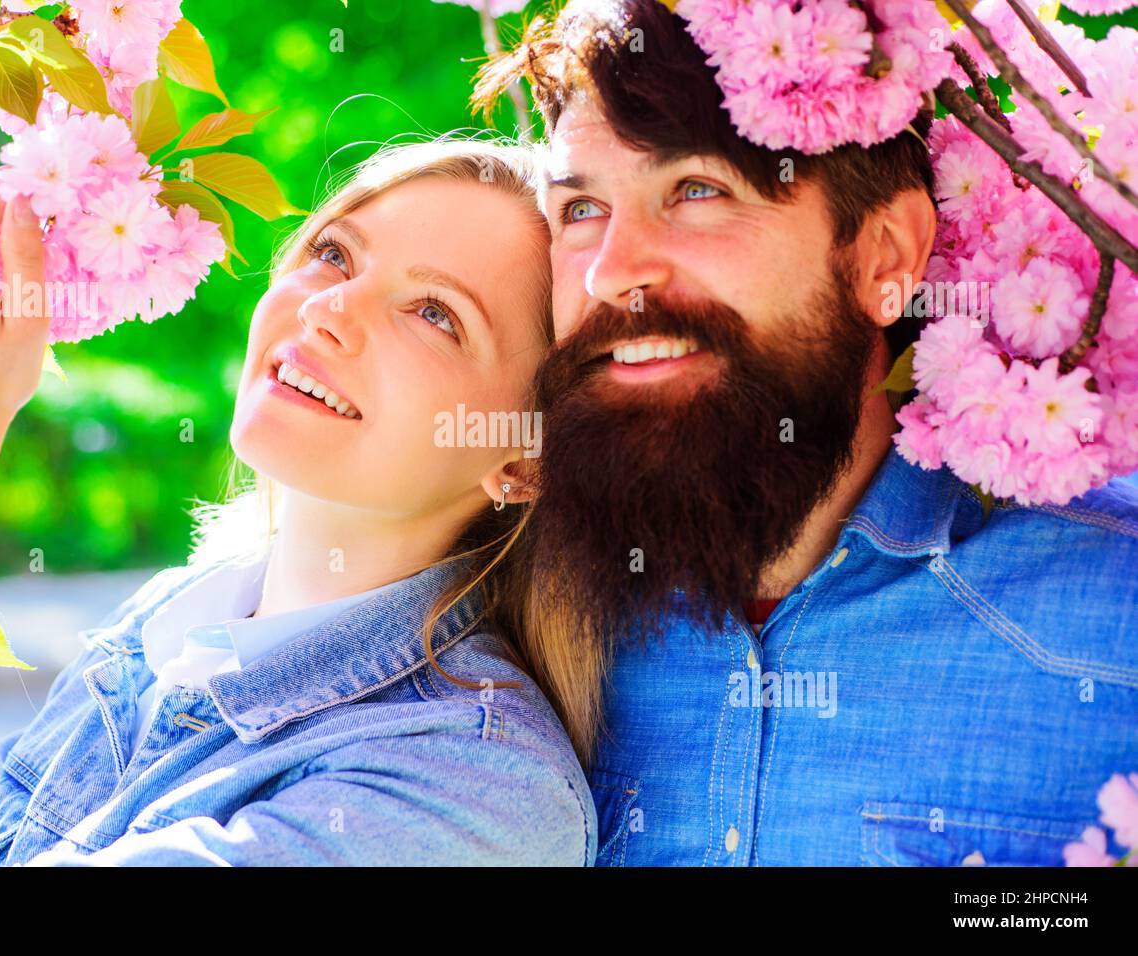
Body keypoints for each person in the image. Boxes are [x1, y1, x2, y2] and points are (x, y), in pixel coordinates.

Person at [474, 0, 1138, 866]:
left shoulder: (1116, 609)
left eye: (699, 190)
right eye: (582, 210)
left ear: (882, 257)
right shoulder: (491, 608)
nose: (613, 271)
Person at [0, 137, 597, 866]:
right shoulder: (163, 628)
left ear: (525, 459)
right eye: (335, 254)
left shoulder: (478, 794)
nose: (327, 309)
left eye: (435, 313)